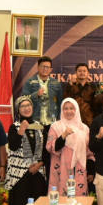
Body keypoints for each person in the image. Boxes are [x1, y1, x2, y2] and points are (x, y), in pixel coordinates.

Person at [22, 56, 62, 187]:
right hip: (36, 123)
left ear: (51, 69)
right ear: (38, 67)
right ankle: (36, 183)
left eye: (48, 67)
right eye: (43, 66)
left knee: (51, 153)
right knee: (36, 152)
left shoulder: (56, 83)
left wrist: (60, 123)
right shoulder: (30, 82)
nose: (45, 69)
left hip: (52, 123)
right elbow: (23, 100)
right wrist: (35, 95)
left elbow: (61, 103)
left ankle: (51, 183)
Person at [4, 96, 47, 205]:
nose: (26, 108)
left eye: (28, 105)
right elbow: (13, 147)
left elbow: (45, 149)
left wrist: (40, 164)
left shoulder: (40, 126)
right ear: (18, 110)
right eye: (22, 106)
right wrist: (21, 130)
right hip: (20, 174)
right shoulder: (15, 127)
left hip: (37, 172)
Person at [46, 98, 95, 196]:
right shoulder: (55, 127)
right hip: (61, 171)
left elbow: (89, 153)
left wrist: (91, 172)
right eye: (66, 109)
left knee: (79, 201)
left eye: (71, 108)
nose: (69, 111)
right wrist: (63, 136)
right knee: (60, 201)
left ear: (76, 109)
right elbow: (50, 147)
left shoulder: (84, 129)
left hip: (79, 171)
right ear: (62, 110)